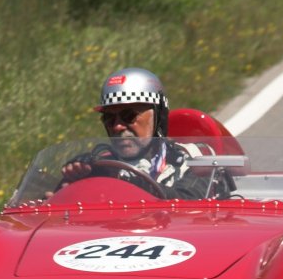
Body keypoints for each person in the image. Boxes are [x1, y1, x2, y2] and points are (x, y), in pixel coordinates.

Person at [59, 67, 212, 200]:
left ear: (158, 117)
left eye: (129, 116)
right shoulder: (99, 165)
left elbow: (191, 203)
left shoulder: (192, 159)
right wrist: (74, 183)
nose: (117, 126)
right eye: (109, 118)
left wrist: (124, 181)